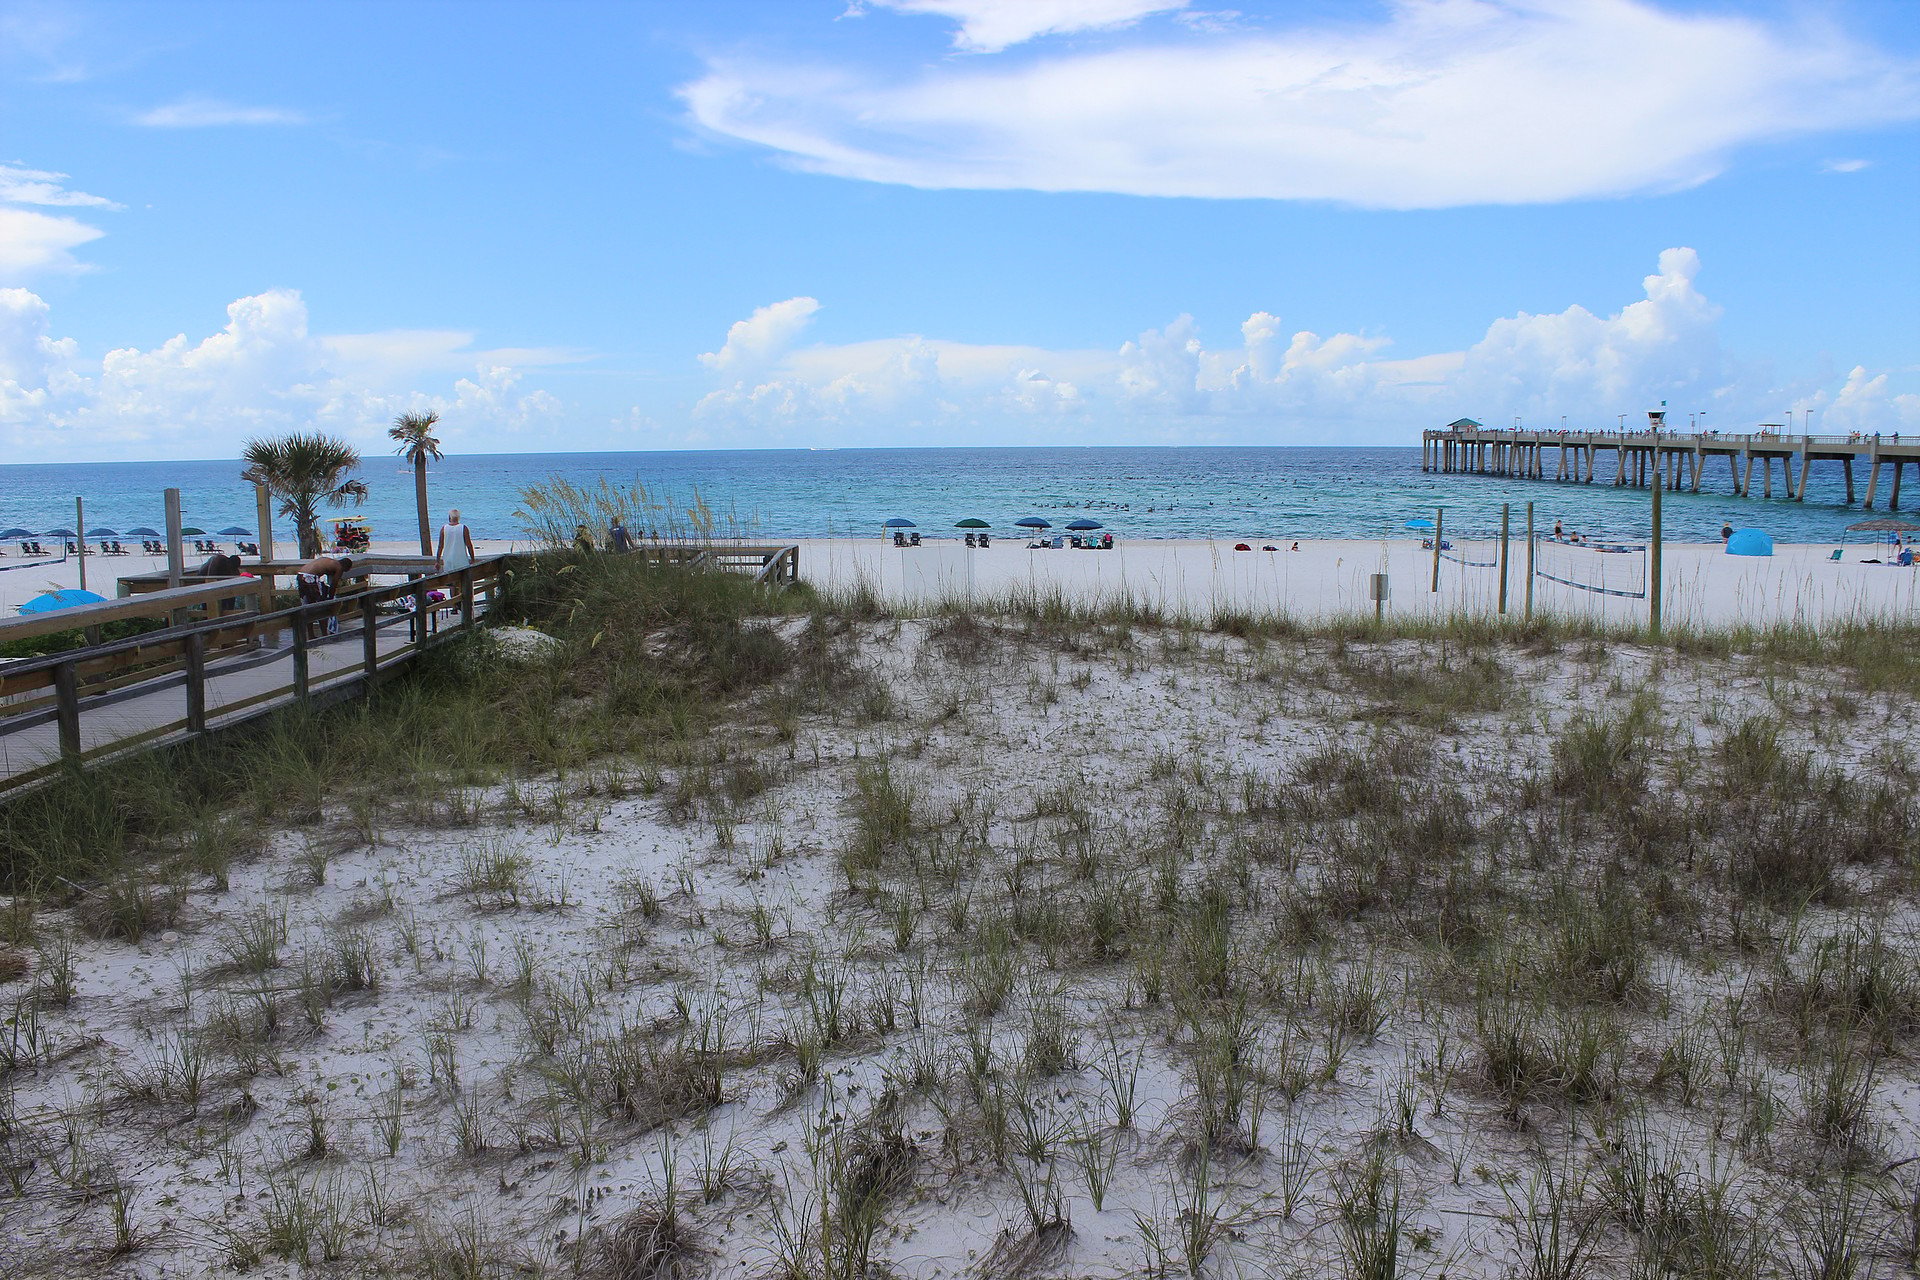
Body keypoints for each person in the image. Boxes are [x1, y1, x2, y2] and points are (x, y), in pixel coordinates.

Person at [295, 553, 354, 637]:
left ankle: (311, 634)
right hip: (311, 577)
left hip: (300, 575)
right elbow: (334, 584)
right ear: (346, 567)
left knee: (308, 606)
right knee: (321, 606)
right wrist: (330, 598)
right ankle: (324, 634)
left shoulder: (329, 561)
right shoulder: (339, 567)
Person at [437, 508, 476, 574]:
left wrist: (437, 561)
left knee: (449, 581)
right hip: (462, 561)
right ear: (458, 517)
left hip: (448, 560)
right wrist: (472, 559)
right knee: (462, 581)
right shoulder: (463, 528)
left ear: (450, 517)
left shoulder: (444, 528)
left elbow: (440, 546)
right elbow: (469, 545)